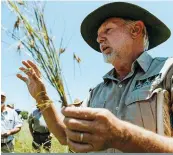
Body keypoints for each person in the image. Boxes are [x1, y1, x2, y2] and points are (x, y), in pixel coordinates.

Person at [16, 2, 173, 153]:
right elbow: (65, 136)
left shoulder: (167, 72)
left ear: (136, 30)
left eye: (108, 30)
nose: (99, 39)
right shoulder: (96, 92)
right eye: (98, 36)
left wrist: (121, 135)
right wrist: (41, 96)